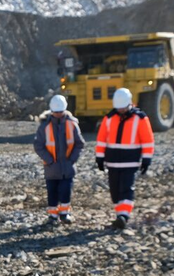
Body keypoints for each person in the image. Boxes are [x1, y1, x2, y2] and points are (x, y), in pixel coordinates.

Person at [95, 88, 154, 230]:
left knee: (126, 189)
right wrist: (100, 158)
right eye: (118, 108)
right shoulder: (109, 118)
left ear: (129, 104)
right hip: (113, 162)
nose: (120, 111)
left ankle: (123, 216)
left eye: (123, 108)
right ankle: (120, 215)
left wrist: (146, 160)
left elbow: (147, 140)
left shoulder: (140, 118)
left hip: (130, 161)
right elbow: (102, 139)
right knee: (115, 191)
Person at [32, 94, 84, 224]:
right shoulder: (44, 126)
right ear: (51, 111)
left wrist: (72, 159)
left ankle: (64, 214)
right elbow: (38, 145)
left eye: (60, 112)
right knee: (52, 192)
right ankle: (53, 216)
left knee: (66, 191)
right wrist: (49, 160)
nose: (58, 114)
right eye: (56, 112)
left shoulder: (72, 125)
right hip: (51, 168)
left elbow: (79, 143)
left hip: (67, 167)